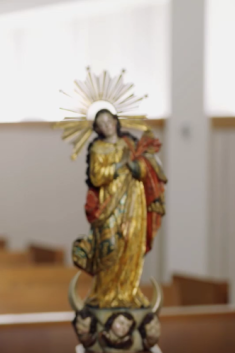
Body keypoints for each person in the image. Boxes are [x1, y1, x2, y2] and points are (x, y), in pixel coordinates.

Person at [71, 109, 167, 309]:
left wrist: (136, 167)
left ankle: (128, 292)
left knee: (132, 244)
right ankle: (105, 294)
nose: (107, 126)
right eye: (101, 123)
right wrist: (117, 167)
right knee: (109, 246)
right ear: (97, 128)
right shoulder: (97, 148)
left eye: (109, 121)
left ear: (115, 121)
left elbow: (145, 168)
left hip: (134, 201)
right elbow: (96, 176)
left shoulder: (129, 144)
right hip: (109, 203)